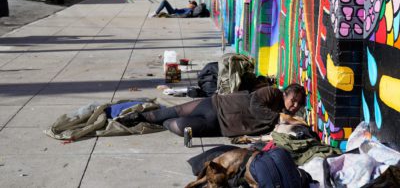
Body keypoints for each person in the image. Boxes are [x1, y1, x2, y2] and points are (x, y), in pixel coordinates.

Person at [118, 83, 307, 137]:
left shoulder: (284, 119)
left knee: (178, 125)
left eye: (299, 103)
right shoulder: (272, 93)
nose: (295, 105)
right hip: (216, 104)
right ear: (285, 94)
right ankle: (137, 117)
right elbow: (254, 105)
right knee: (173, 111)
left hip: (220, 124)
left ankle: (158, 123)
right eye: (293, 100)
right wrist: (279, 117)